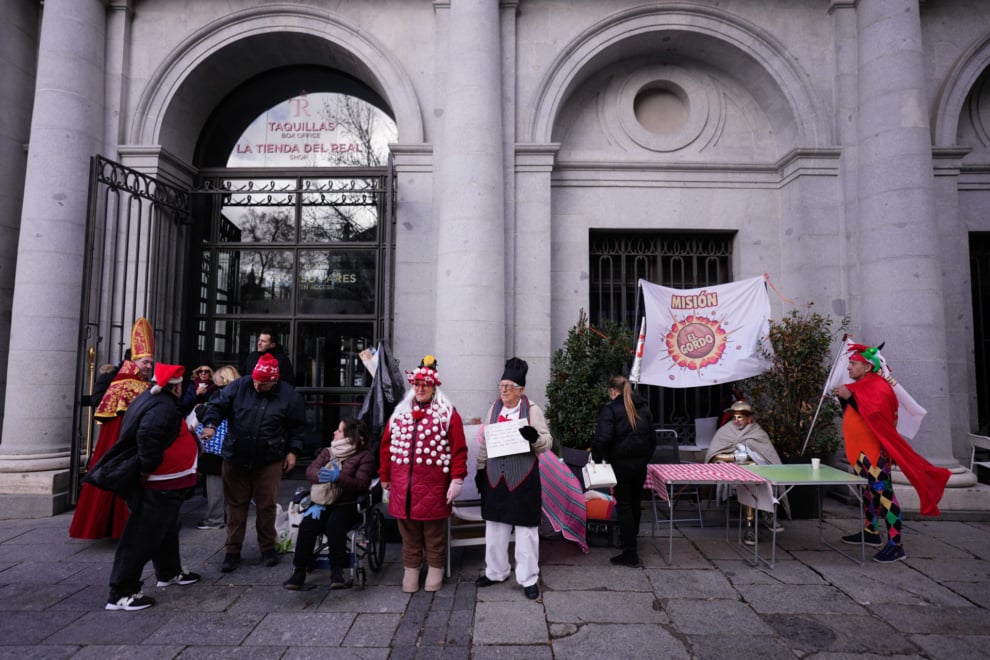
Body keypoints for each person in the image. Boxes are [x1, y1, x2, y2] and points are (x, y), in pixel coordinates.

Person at [834, 343, 951, 563]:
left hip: (872, 453)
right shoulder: (860, 386)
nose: (848, 368)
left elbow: (876, 416)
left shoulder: (879, 387)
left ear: (868, 367)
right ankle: (871, 532)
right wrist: (845, 398)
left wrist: (849, 397)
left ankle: (896, 545)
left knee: (884, 496)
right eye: (849, 363)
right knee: (868, 493)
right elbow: (853, 413)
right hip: (858, 452)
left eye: (853, 363)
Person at [98, 363, 201, 611]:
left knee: (165, 528)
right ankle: (122, 592)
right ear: (176, 388)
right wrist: (148, 468)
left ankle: (169, 571)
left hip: (167, 481)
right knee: (143, 535)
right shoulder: (162, 407)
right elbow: (149, 437)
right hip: (159, 482)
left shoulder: (155, 401)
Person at [199, 352, 306, 572]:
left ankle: (267, 548)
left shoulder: (288, 395)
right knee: (236, 505)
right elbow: (217, 405)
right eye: (256, 382)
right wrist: (210, 423)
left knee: (266, 506)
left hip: (269, 457)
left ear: (274, 381)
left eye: (263, 384)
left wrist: (293, 451)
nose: (258, 386)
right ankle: (232, 551)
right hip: (236, 455)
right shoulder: (240, 385)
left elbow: (297, 426)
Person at [379, 355, 468, 593]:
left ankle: (435, 568)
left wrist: (457, 478)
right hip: (402, 487)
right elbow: (386, 447)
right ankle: (411, 569)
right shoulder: (400, 413)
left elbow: (459, 449)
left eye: (425, 385)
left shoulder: (448, 414)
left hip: (433, 487)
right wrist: (385, 476)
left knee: (434, 533)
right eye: (416, 384)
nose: (420, 389)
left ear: (433, 387)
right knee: (408, 533)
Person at [475, 357, 553, 600]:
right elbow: (486, 440)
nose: (504, 390)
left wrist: (534, 439)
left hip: (524, 478)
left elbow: (547, 444)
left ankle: (528, 578)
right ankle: (496, 571)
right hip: (496, 477)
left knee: (526, 529)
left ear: (522, 389)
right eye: (502, 386)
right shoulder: (494, 408)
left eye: (509, 386)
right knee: (495, 527)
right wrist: (480, 468)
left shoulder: (532, 410)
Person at [70, 318, 155, 540]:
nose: (149, 366)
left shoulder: (143, 383)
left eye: (150, 363)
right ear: (134, 361)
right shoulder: (123, 384)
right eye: (145, 362)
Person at [284, 417, 376, 590]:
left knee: (334, 525)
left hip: (348, 503)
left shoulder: (365, 456)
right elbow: (310, 470)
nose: (334, 432)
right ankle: (299, 571)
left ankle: (337, 571)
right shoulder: (328, 451)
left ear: (350, 437)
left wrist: (339, 478)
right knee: (308, 525)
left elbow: (362, 485)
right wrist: (320, 479)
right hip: (323, 502)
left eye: (339, 430)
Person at [592, 375, 655, 567]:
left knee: (625, 505)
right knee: (635, 503)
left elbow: (603, 437)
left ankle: (630, 551)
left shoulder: (610, 409)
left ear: (612, 390)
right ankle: (631, 539)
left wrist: (596, 458)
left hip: (620, 465)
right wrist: (645, 459)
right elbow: (652, 438)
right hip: (640, 465)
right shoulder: (643, 408)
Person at [706, 400, 784, 545]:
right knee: (748, 485)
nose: (736, 421)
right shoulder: (725, 431)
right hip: (734, 471)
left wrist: (750, 457)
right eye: (734, 417)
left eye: (740, 417)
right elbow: (715, 455)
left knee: (762, 481)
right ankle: (750, 526)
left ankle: (768, 513)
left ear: (749, 418)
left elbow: (767, 455)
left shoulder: (757, 432)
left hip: (758, 472)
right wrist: (735, 457)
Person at [194, 365, 240, 530]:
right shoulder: (241, 393)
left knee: (215, 483)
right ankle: (231, 516)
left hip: (214, 443)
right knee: (231, 482)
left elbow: (209, 414)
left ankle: (215, 518)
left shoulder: (219, 394)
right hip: (232, 442)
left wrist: (200, 408)